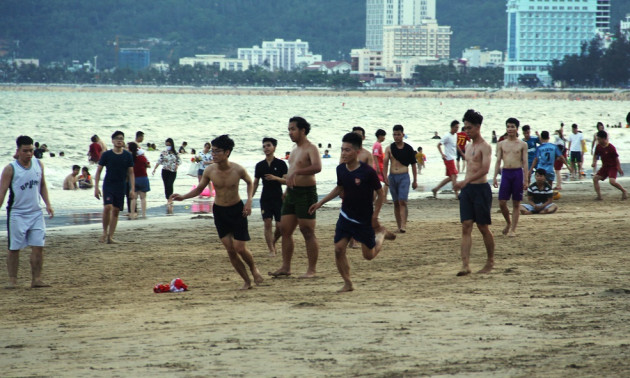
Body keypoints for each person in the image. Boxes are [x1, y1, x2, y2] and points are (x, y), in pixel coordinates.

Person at [171, 135, 264, 290]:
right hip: (220, 211)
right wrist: (183, 197)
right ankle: (246, 281)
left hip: (237, 210)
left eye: (217, 151)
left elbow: (249, 182)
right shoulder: (209, 170)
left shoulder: (238, 169)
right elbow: (200, 189)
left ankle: (254, 269)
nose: (213, 154)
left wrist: (249, 200)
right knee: (231, 250)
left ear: (227, 152)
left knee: (240, 248)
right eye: (212, 151)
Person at [308, 132, 395, 292]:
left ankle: (381, 234)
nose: (343, 153)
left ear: (357, 151)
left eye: (347, 150)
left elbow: (381, 193)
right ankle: (348, 283)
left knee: (368, 256)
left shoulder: (368, 172)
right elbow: (339, 188)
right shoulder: (340, 169)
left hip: (364, 220)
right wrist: (320, 202)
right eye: (342, 150)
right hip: (346, 216)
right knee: (339, 249)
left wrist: (375, 216)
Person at [269, 116, 322, 278]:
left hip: (306, 193)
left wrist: (298, 172)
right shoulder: (294, 149)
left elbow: (317, 167)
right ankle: (286, 267)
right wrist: (286, 190)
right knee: (285, 230)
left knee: (307, 231)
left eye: (293, 129)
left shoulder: (310, 148)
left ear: (302, 130)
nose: (290, 132)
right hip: (291, 193)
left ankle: (311, 269)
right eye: (289, 130)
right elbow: (291, 170)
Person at [0, 135, 54, 288]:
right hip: (17, 213)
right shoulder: (10, 169)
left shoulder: (38, 165)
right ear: (18, 151)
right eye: (25, 151)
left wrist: (48, 204)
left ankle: (36, 279)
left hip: (36, 212)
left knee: (38, 246)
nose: (29, 154)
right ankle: (12, 280)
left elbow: (42, 185)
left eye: (31, 150)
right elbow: (2, 192)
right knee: (14, 248)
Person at [453, 110, 494, 276]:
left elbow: (484, 169)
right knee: (466, 226)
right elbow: (470, 168)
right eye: (465, 128)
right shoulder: (468, 146)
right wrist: (461, 182)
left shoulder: (486, 146)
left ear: (478, 127)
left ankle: (490, 261)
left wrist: (466, 182)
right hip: (467, 189)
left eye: (469, 128)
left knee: (483, 227)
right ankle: (465, 265)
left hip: (480, 189)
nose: (467, 131)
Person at [93, 131, 135, 244]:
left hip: (121, 186)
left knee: (116, 211)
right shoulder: (107, 155)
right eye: (116, 138)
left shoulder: (127, 155)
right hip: (108, 185)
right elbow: (98, 171)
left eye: (121, 138)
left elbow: (131, 173)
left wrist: (132, 189)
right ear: (112, 141)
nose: (119, 140)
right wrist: (96, 187)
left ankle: (110, 237)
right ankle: (104, 232)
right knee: (108, 207)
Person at [493, 118, 528, 237]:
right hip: (506, 173)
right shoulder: (501, 144)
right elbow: (498, 161)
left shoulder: (523, 144)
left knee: (516, 203)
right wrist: (494, 177)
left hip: (517, 173)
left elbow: (525, 162)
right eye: (508, 126)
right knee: (502, 202)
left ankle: (513, 229)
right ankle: (508, 222)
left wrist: (526, 179)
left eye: (512, 126)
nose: (510, 129)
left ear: (517, 128)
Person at [253, 137, 288, 257]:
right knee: (267, 222)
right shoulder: (260, 165)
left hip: (279, 197)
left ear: (274, 147)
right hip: (265, 197)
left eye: (268, 145)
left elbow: (286, 181)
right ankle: (271, 249)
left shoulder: (281, 164)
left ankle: (273, 241)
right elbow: (255, 183)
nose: (266, 148)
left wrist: (275, 178)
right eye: (264, 146)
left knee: (280, 226)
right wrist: (249, 198)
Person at [383, 124, 417, 233]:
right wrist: (384, 177)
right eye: (394, 134)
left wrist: (415, 180)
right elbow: (385, 163)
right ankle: (399, 226)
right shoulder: (389, 148)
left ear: (403, 135)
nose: (396, 136)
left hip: (404, 177)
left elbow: (413, 164)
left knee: (403, 201)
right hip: (392, 177)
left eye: (398, 134)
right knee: (396, 202)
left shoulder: (408, 148)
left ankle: (403, 225)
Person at [592, 130, 627, 201]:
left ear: (604, 138)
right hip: (604, 167)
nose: (598, 140)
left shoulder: (611, 147)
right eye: (597, 139)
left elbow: (616, 158)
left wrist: (619, 168)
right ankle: (599, 196)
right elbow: (595, 155)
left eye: (599, 139)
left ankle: (624, 191)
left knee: (612, 182)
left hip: (613, 167)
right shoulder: (598, 147)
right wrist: (594, 162)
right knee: (595, 179)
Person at [431, 120, 459, 199]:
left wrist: (462, 153)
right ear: (452, 127)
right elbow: (438, 145)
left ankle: (435, 189)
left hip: (453, 158)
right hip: (448, 158)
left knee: (451, 177)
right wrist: (442, 154)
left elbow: (456, 145)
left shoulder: (455, 135)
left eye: (458, 127)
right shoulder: (447, 136)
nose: (457, 129)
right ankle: (457, 195)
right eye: (456, 127)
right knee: (454, 176)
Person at [152, 138, 181, 214]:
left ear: (172, 144)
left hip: (173, 171)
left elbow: (179, 161)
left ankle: (170, 199)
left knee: (170, 184)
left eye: (169, 145)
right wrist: (154, 169)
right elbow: (159, 161)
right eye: (166, 145)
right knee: (166, 185)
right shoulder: (164, 152)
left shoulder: (176, 153)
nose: (167, 146)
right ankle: (168, 199)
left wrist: (177, 165)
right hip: (165, 171)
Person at [128, 142, 150, 219]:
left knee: (133, 198)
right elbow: (148, 165)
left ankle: (132, 214)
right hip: (143, 178)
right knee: (143, 198)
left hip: (133, 178)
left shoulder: (129, 157)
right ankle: (144, 214)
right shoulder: (142, 157)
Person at [372, 129, 389, 201]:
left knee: (377, 184)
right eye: (383, 136)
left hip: (379, 166)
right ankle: (383, 198)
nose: (384, 138)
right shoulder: (377, 145)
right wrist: (378, 167)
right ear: (380, 136)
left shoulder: (377, 144)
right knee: (387, 181)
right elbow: (375, 156)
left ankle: (376, 199)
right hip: (378, 167)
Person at [553, 125, 567, 189]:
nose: (555, 135)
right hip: (559, 157)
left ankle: (558, 185)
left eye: (556, 133)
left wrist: (559, 157)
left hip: (559, 157)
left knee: (557, 170)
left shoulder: (559, 141)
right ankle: (558, 184)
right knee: (557, 171)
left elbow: (561, 150)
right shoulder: (559, 140)